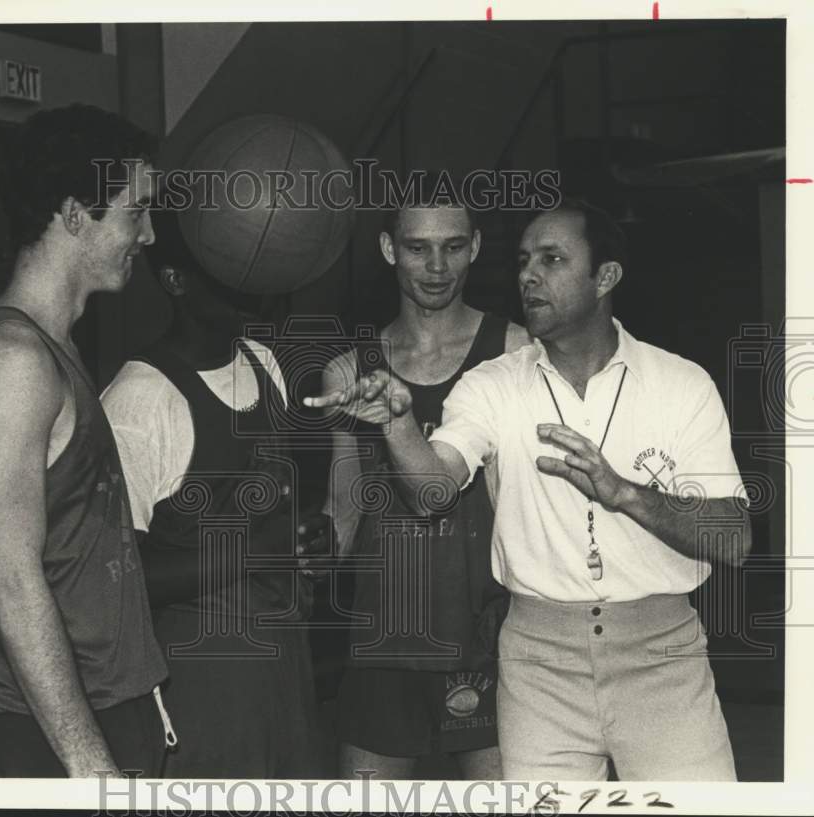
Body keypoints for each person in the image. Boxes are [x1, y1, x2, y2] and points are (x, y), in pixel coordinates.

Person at [307, 199, 750, 781]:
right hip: (535, 658)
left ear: (606, 276)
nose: (528, 275)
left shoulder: (682, 384)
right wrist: (399, 424)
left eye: (552, 259)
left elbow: (735, 541)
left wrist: (625, 494)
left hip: (661, 654)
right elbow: (433, 493)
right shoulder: (492, 385)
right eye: (523, 260)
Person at [0, 104, 170, 778]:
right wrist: (92, 766)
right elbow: (10, 578)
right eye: (136, 211)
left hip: (102, 710)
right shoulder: (11, 361)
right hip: (50, 733)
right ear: (75, 214)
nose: (148, 234)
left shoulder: (52, 348)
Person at [101, 209, 327, 779]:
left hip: (283, 673)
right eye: (227, 264)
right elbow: (121, 578)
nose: (252, 277)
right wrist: (257, 550)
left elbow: (271, 513)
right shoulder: (137, 401)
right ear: (176, 280)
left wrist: (306, 538)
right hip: (202, 685)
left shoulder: (264, 361)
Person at [322, 190, 528, 779]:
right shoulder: (349, 369)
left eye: (452, 247)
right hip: (384, 640)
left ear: (475, 249)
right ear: (390, 249)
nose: (437, 268)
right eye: (418, 248)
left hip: (489, 637)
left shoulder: (514, 353)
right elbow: (342, 512)